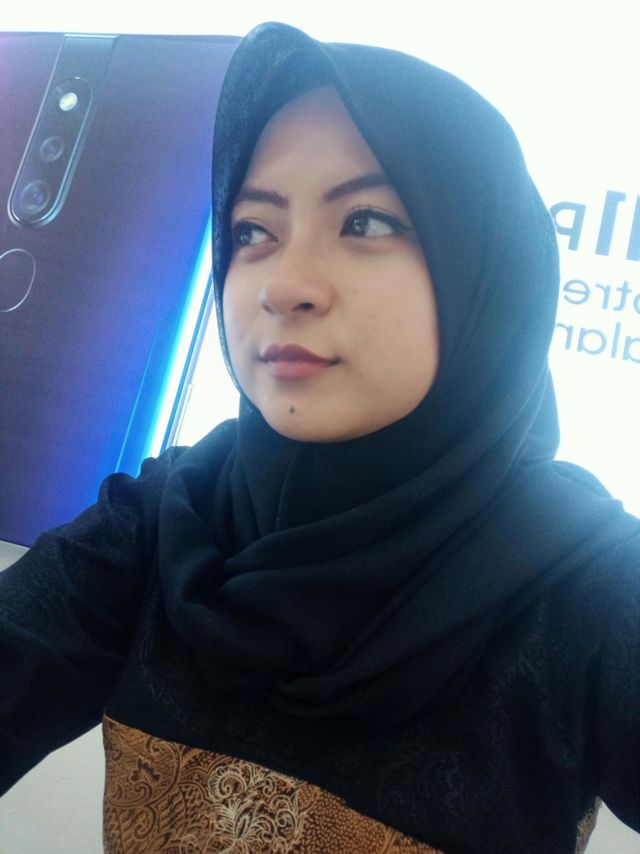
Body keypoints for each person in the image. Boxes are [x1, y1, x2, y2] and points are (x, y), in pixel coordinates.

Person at [1, 20, 639, 854]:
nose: (284, 285)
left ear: (486, 271)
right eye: (252, 232)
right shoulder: (169, 522)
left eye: (366, 221)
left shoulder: (592, 592)